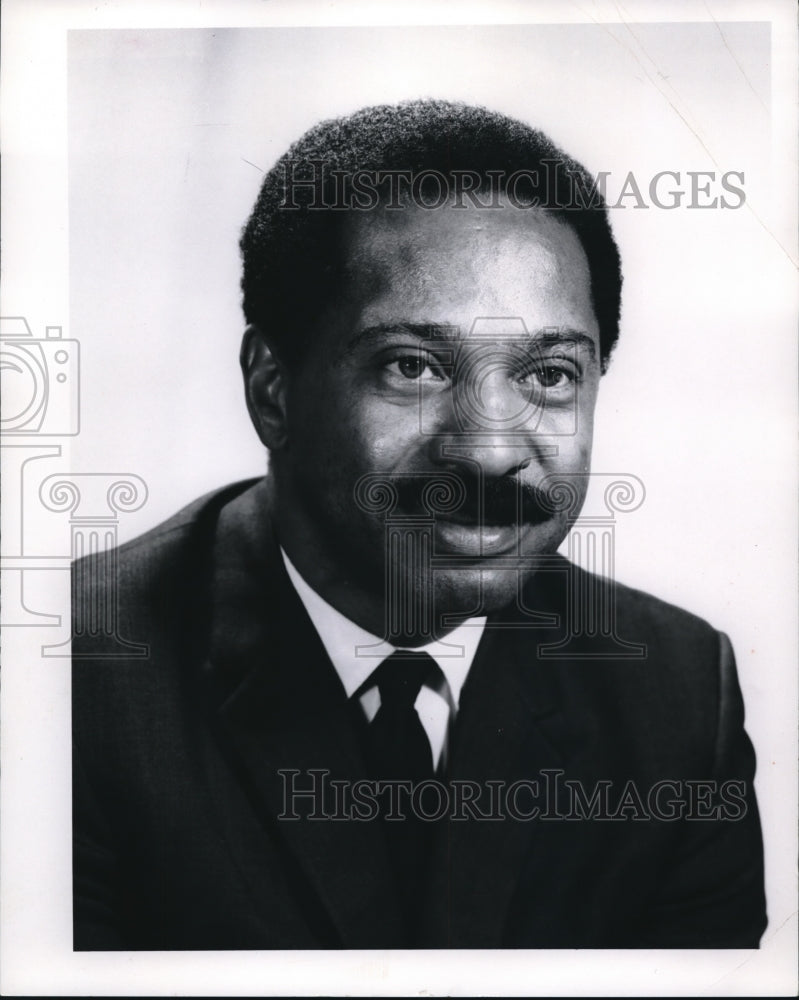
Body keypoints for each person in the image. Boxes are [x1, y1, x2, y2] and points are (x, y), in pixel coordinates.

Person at [72, 99, 767, 950]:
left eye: (549, 375)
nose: (488, 454)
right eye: (413, 367)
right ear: (272, 391)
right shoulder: (69, 689)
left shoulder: (678, 697)